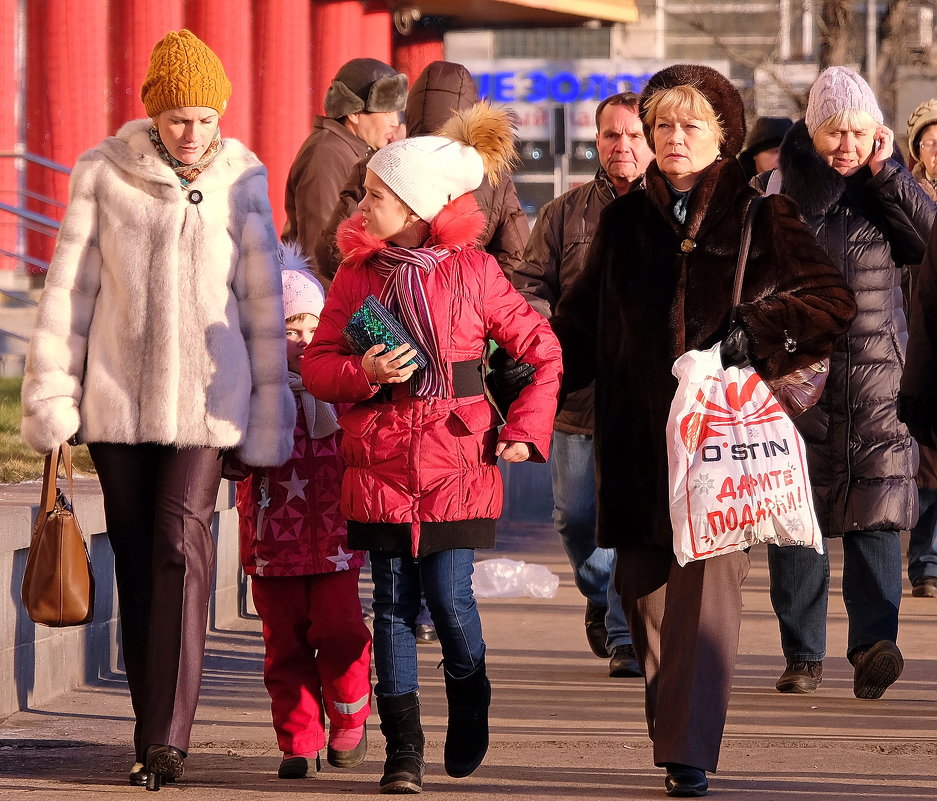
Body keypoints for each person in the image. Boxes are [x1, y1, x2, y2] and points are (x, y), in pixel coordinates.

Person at [550, 64, 856, 797]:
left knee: (702, 607)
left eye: (690, 126)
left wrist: (757, 329)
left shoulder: (760, 215)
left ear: (721, 136)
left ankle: (687, 752)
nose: (673, 137)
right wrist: (514, 383)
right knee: (644, 602)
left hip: (718, 452)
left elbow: (830, 301)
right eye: (662, 125)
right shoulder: (623, 219)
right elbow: (579, 326)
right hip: (634, 449)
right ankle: (676, 730)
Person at [19, 30, 295, 790]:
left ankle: (169, 739)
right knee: (137, 560)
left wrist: (272, 407)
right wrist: (53, 393)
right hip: (117, 404)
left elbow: (261, 302)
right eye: (179, 117)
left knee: (182, 542)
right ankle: (147, 730)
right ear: (152, 111)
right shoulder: (101, 173)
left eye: (206, 118)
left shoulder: (243, 177)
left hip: (208, 405)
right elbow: (68, 293)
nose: (193, 132)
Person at [303, 102, 562, 794]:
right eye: (365, 194)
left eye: (377, 196)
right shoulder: (356, 276)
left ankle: (470, 693)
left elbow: (541, 353)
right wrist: (365, 373)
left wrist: (523, 431)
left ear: (417, 207)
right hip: (380, 463)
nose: (362, 205)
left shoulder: (472, 273)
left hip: (458, 462)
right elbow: (318, 363)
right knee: (390, 606)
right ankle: (403, 750)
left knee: (449, 600)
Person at [755, 67, 935, 699]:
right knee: (797, 518)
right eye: (835, 132)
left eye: (859, 132)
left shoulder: (888, 188)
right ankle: (802, 655)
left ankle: (873, 648)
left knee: (876, 517)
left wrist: (889, 175)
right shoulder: (777, 187)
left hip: (876, 380)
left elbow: (926, 241)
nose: (847, 146)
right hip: (798, 380)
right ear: (813, 129)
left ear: (878, 132)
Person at [512, 91, 653, 678]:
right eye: (611, 136)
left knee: (628, 514)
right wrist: (546, 329)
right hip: (575, 395)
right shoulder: (564, 213)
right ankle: (601, 594)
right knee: (574, 515)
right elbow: (526, 285)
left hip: (645, 398)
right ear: (596, 142)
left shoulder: (676, 212)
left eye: (633, 136)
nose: (622, 147)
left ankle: (624, 636)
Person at [230, 249, 372, 780]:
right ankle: (298, 740)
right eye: (292, 325)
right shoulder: (253, 397)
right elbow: (233, 458)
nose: (307, 337)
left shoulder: (344, 394)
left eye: (316, 324)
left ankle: (351, 716)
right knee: (283, 645)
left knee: (341, 631)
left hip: (336, 539)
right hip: (272, 541)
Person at [314, 59, 530, 284]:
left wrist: (377, 281)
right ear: (469, 112)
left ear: (413, 109)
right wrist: (480, 296)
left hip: (383, 306)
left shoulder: (380, 165)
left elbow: (331, 251)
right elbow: (515, 255)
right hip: (466, 307)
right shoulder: (491, 177)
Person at [283, 57, 407, 287]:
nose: (394, 122)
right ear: (354, 113)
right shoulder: (326, 154)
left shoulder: (352, 150)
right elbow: (317, 252)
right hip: (325, 302)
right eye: (387, 111)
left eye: (397, 112)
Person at [900, 99, 937, 599]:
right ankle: (926, 558)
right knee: (928, 463)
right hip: (919, 334)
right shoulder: (908, 198)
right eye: (931, 141)